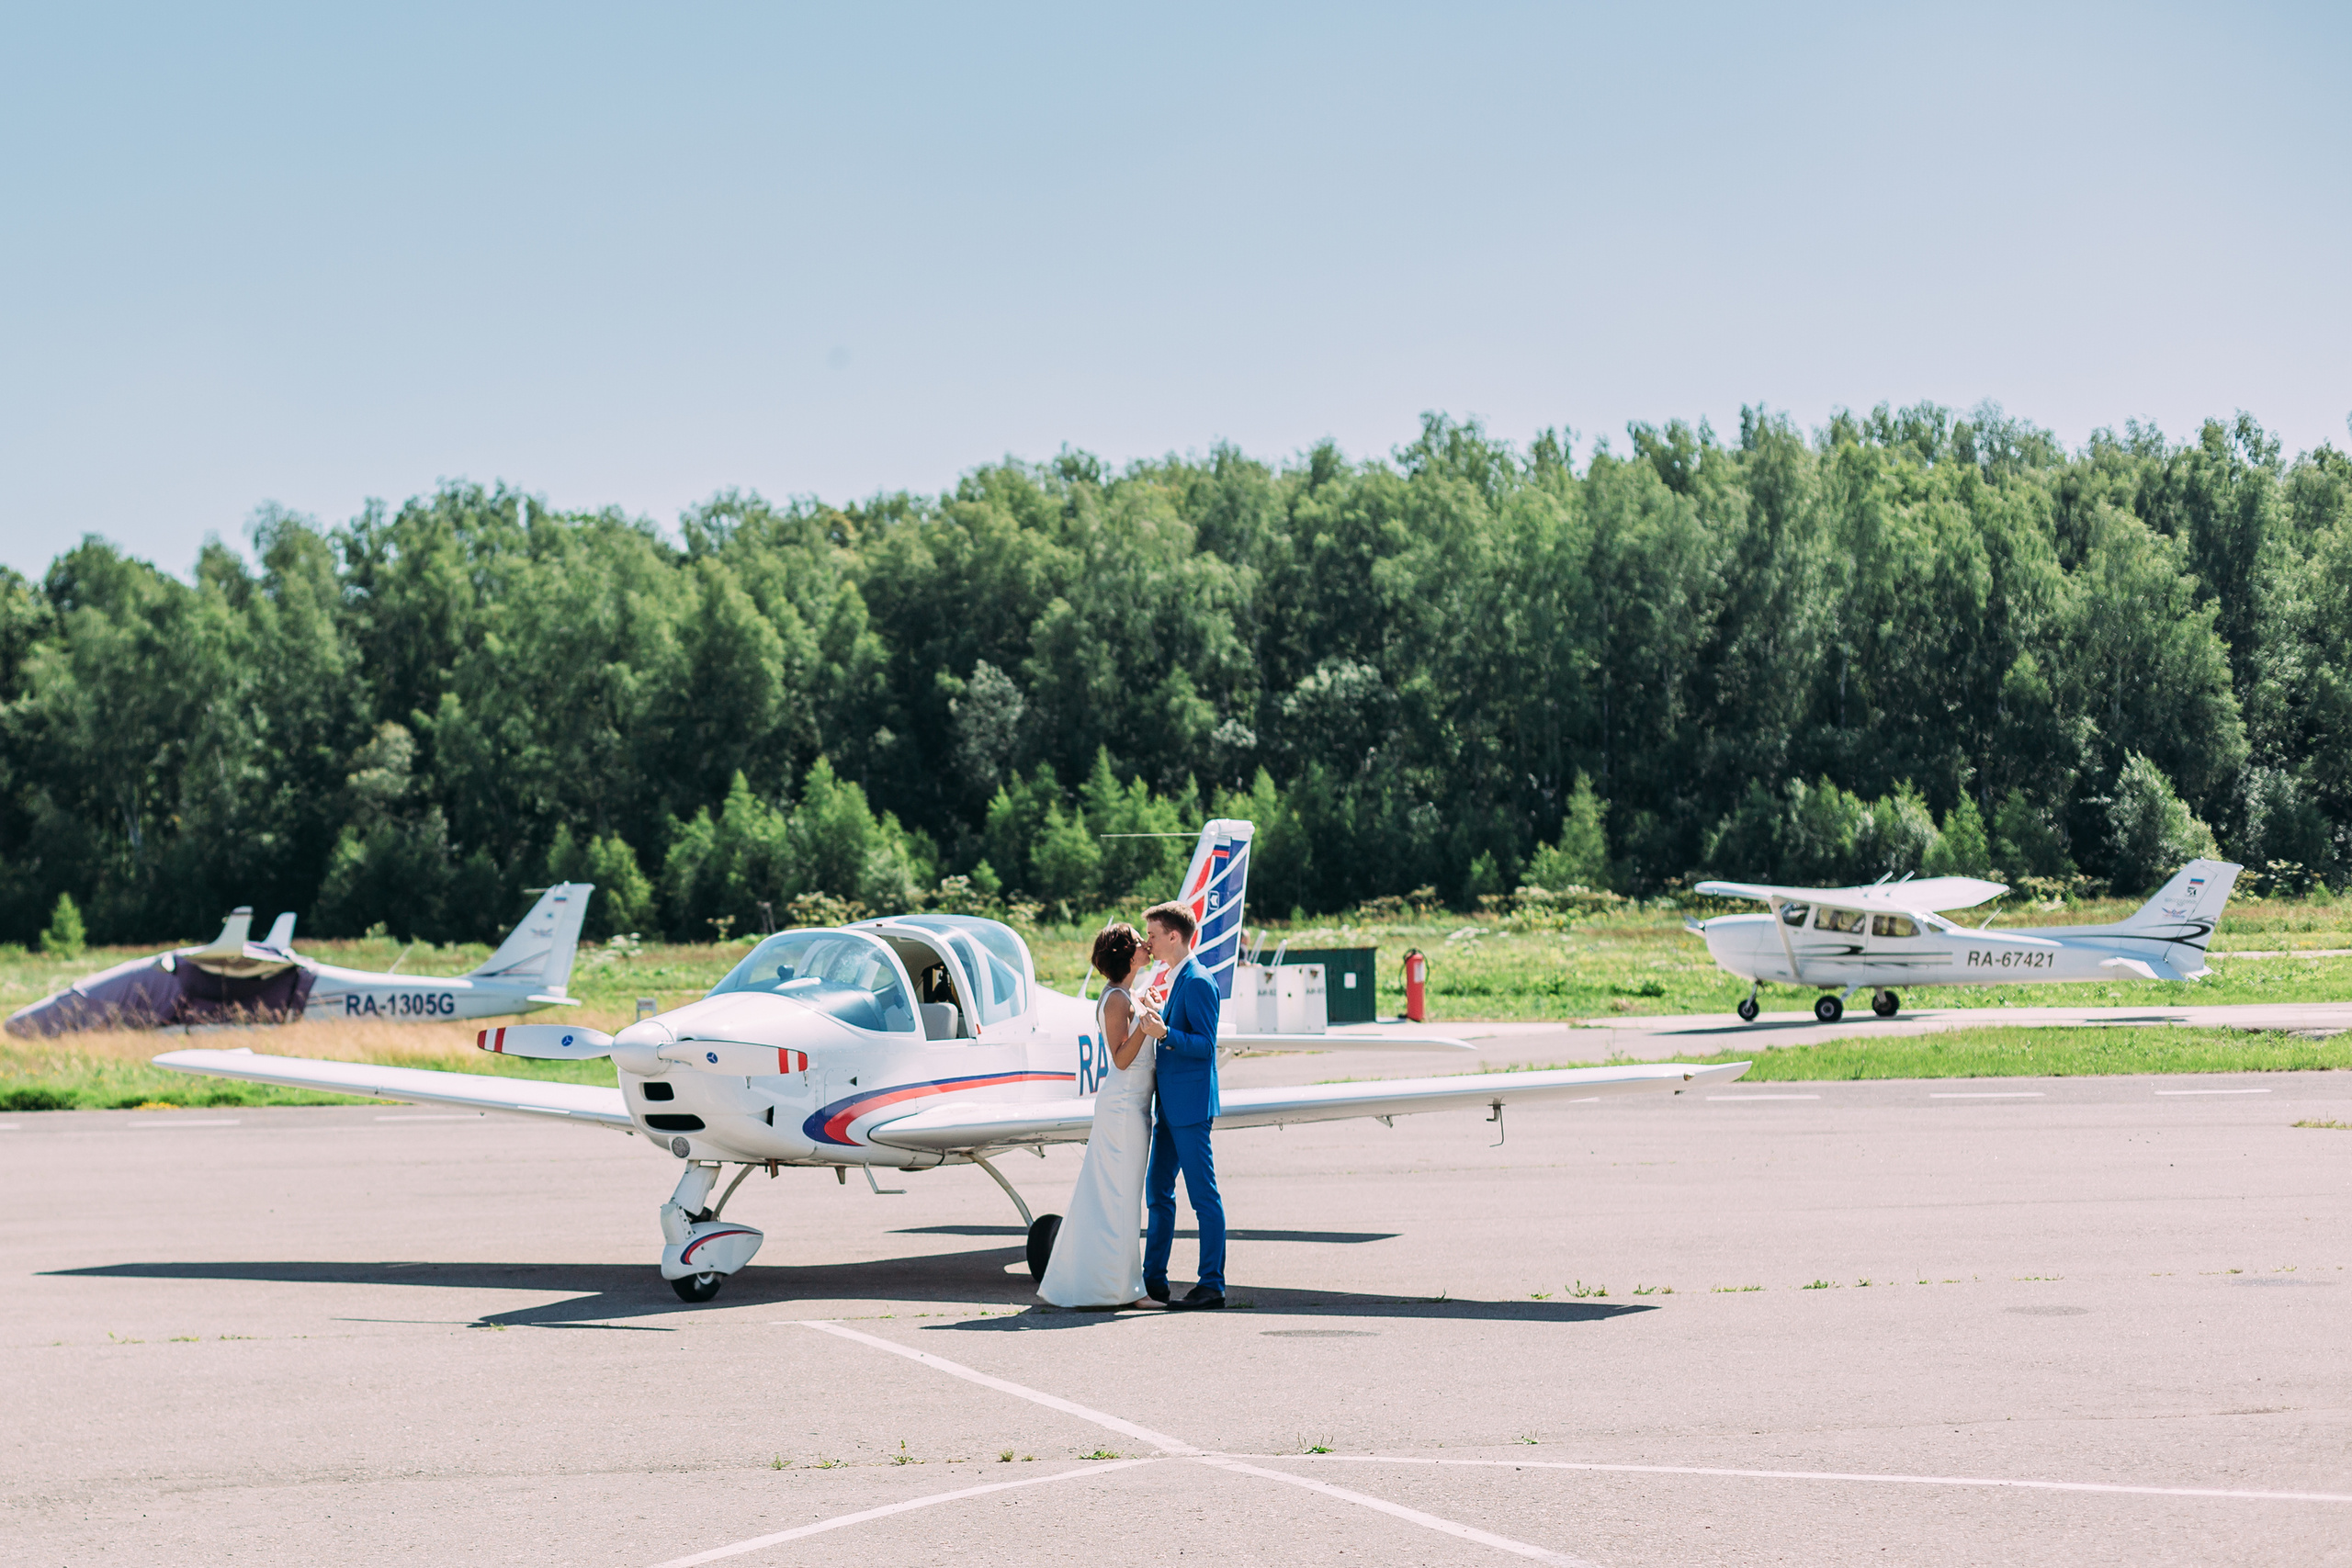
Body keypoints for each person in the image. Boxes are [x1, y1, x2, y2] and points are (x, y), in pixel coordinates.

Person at [1035, 922, 1158, 1309]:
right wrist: (1148, 1028)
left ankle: (1115, 1285)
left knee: (1121, 1198)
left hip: (1133, 1105)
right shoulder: (1118, 999)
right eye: (1140, 942)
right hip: (1122, 1109)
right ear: (1127, 954)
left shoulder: (1128, 994)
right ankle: (1126, 1290)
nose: (1146, 945)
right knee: (1120, 1199)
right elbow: (1121, 1058)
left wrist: (1147, 1008)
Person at [1137, 899, 1225, 1310]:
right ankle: (1153, 1279)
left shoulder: (1199, 981)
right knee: (1158, 1191)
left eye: (1153, 935)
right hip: (1170, 1108)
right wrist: (1160, 1016)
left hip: (1190, 1108)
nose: (1148, 942)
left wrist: (1165, 1031)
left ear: (1174, 935)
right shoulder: (1177, 976)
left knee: (1202, 1196)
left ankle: (1212, 1284)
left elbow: (1207, 1048)